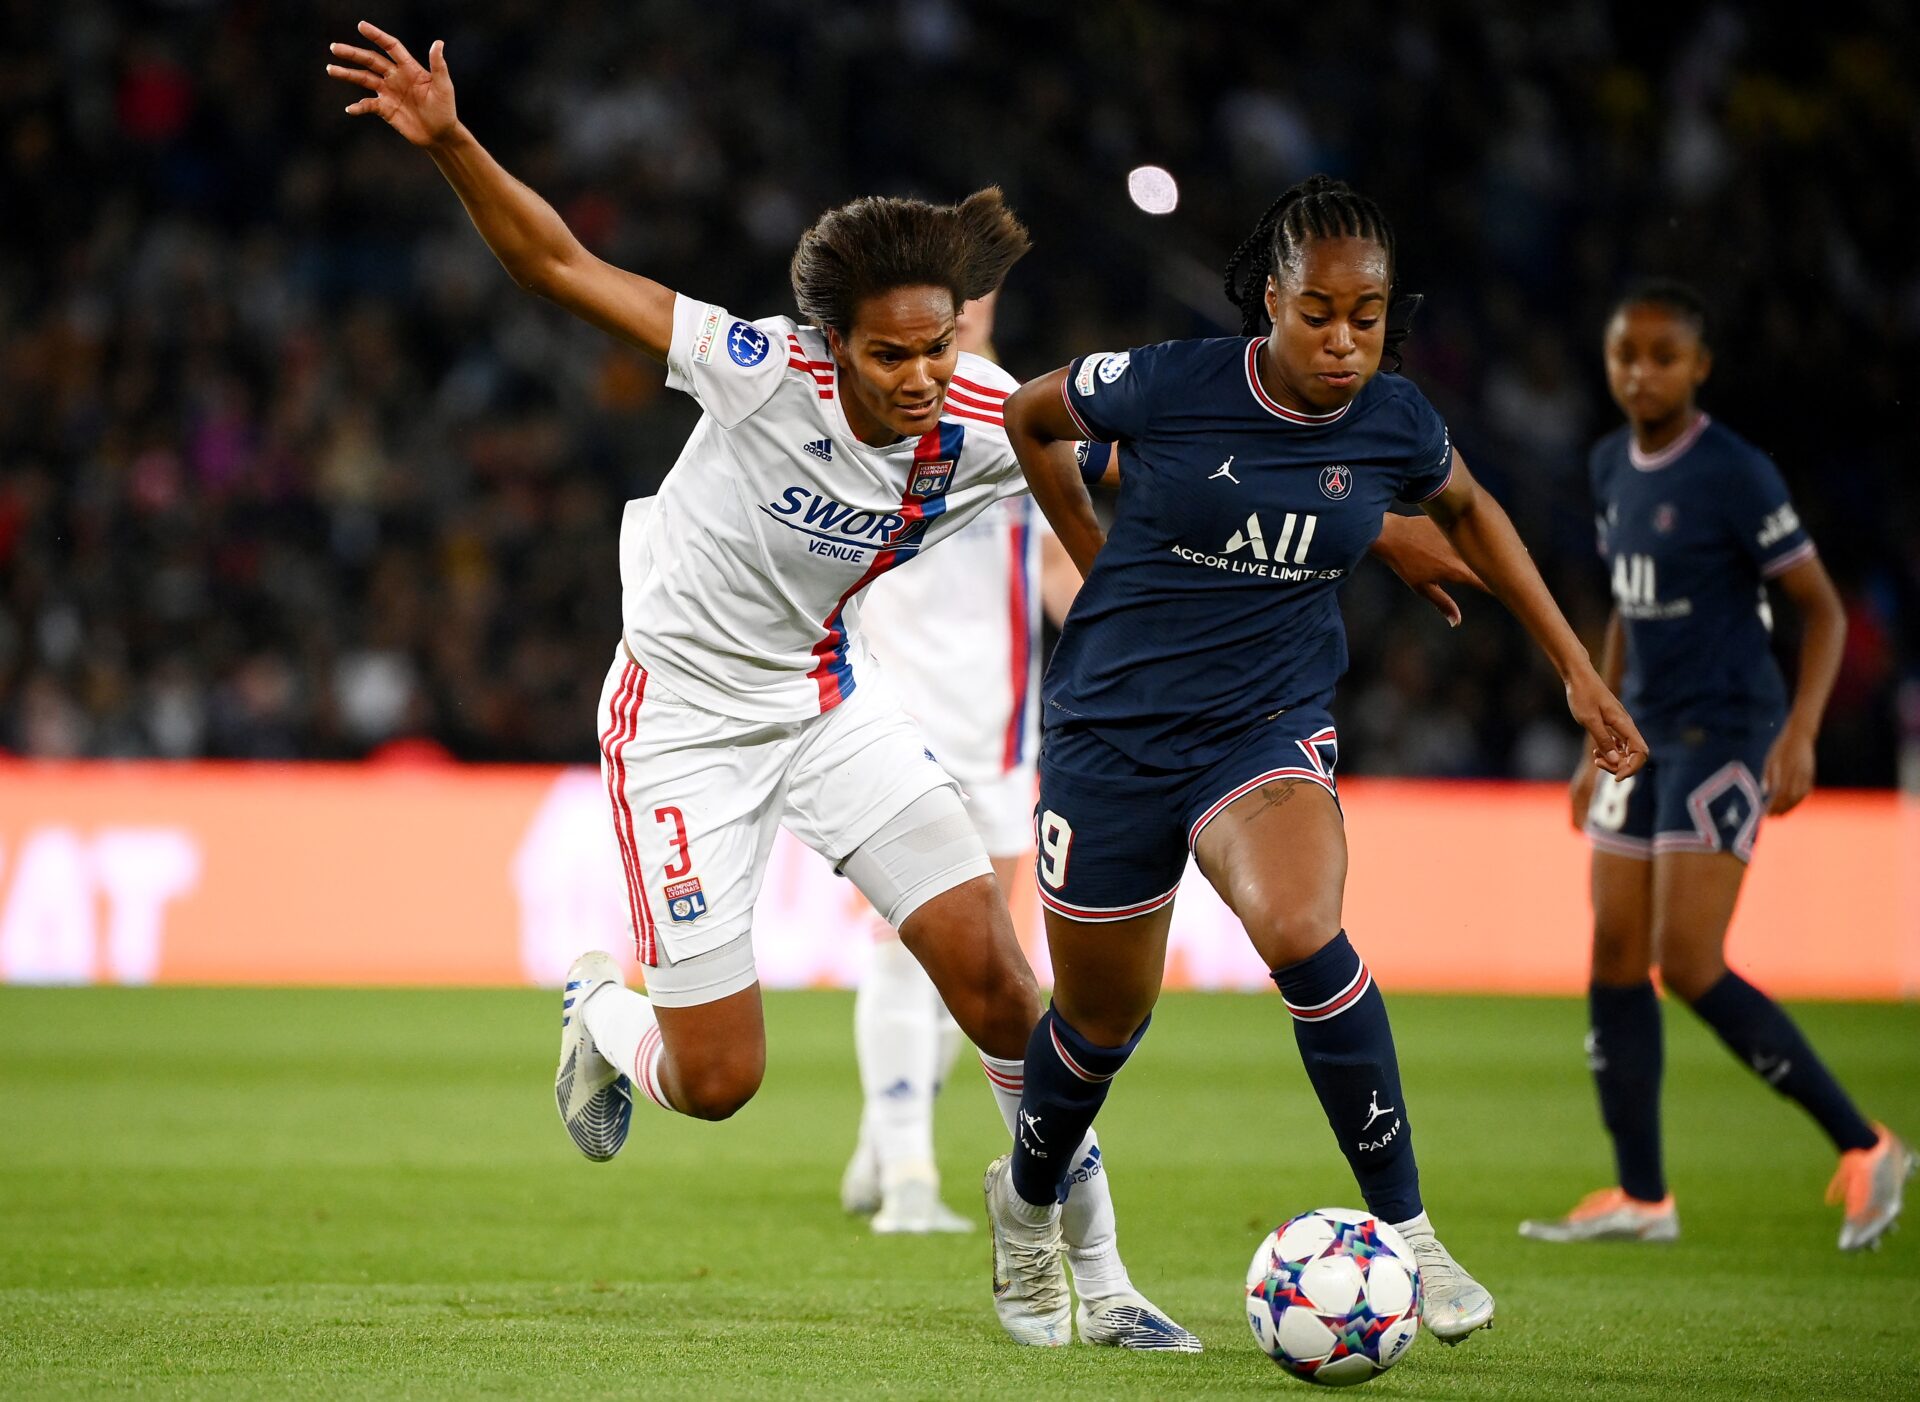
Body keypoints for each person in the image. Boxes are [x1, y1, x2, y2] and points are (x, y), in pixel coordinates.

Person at [325, 20, 1200, 1351]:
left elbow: (1154, 476)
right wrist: (452, 143)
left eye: (935, 353)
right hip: (677, 725)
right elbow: (557, 264)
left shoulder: (978, 423)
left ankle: (1099, 1271)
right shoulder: (749, 372)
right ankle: (602, 1014)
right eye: (891, 355)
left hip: (825, 704)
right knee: (721, 1079)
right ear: (830, 341)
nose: (922, 380)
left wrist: (1372, 507)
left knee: (1002, 984)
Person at [993, 174, 1650, 1347]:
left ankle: (1410, 1234)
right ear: (1269, 304)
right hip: (1112, 732)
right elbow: (1032, 419)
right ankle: (1027, 1211)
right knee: (1098, 1024)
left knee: (1302, 927)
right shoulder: (1171, 382)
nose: (1345, 340)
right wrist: (1092, 557)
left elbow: (1471, 507)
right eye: (1318, 313)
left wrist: (1575, 669)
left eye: (1369, 314)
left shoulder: (1396, 418)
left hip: (1264, 723)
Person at [1518, 281, 1912, 1251]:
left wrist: (1800, 732)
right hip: (1640, 730)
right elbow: (1624, 603)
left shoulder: (1734, 473)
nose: (1640, 372)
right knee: (1614, 953)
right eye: (1624, 355)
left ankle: (1866, 1144)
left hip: (1726, 729)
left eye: (1661, 355)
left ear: (1700, 366)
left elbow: (1819, 608)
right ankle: (1643, 1195)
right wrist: (1591, 736)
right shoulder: (1612, 463)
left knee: (1686, 961)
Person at [838, 292, 1084, 1237]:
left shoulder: (1017, 424)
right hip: (893, 716)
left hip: (1001, 727)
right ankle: (906, 1173)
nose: (969, 312)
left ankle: (882, 1131)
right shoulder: (872, 416)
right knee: (904, 940)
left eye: (980, 299)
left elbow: (1060, 568)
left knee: (987, 963)